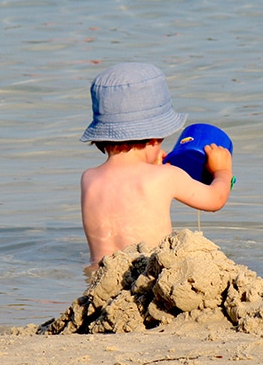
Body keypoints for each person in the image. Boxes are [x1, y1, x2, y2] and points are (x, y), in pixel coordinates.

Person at [80, 62, 233, 269]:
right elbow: (216, 200)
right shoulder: (166, 176)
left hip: (98, 280)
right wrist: (222, 170)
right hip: (147, 279)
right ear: (154, 138)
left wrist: (152, 165)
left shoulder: (89, 178)